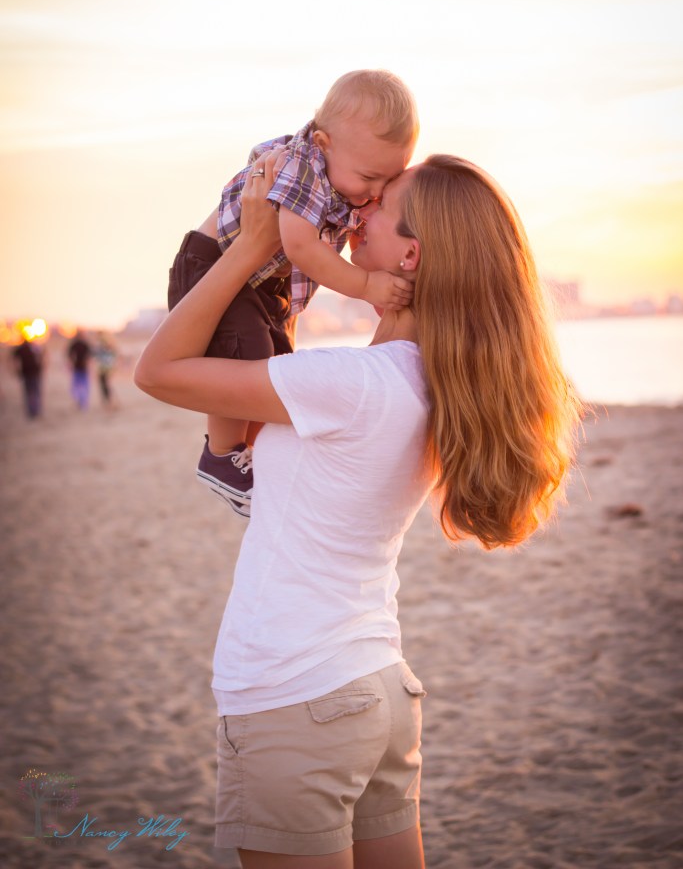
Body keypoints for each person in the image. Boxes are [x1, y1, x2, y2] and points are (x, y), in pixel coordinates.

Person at [135, 150, 581, 868]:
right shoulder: (432, 387)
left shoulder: (349, 384)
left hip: (292, 691)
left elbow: (157, 370)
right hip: (377, 688)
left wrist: (251, 245)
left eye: (380, 205)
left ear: (410, 254)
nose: (357, 212)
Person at [168, 70, 418, 517]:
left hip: (257, 285)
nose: (375, 193)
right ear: (323, 144)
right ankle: (221, 456)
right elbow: (300, 246)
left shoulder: (343, 176)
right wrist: (364, 286)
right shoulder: (300, 168)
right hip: (212, 266)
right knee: (246, 354)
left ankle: (250, 450)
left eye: (388, 181)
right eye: (369, 177)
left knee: (276, 362)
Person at [13, 336, 44, 419]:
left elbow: (42, 356)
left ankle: (34, 410)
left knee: (32, 392)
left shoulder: (34, 348)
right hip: (28, 373)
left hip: (32, 373)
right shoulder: (23, 348)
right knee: (31, 392)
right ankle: (33, 411)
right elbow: (14, 360)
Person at [67, 331, 92, 410]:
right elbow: (69, 354)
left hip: (83, 368)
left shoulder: (85, 344)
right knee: (78, 386)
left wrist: (88, 363)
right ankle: (80, 401)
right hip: (77, 368)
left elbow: (89, 356)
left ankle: (82, 402)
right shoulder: (76, 344)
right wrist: (71, 363)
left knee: (83, 386)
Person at [93, 332, 118, 408]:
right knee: (105, 386)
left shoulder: (101, 344)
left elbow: (98, 356)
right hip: (104, 368)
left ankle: (110, 402)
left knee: (105, 386)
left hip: (105, 368)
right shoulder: (105, 344)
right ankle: (109, 402)